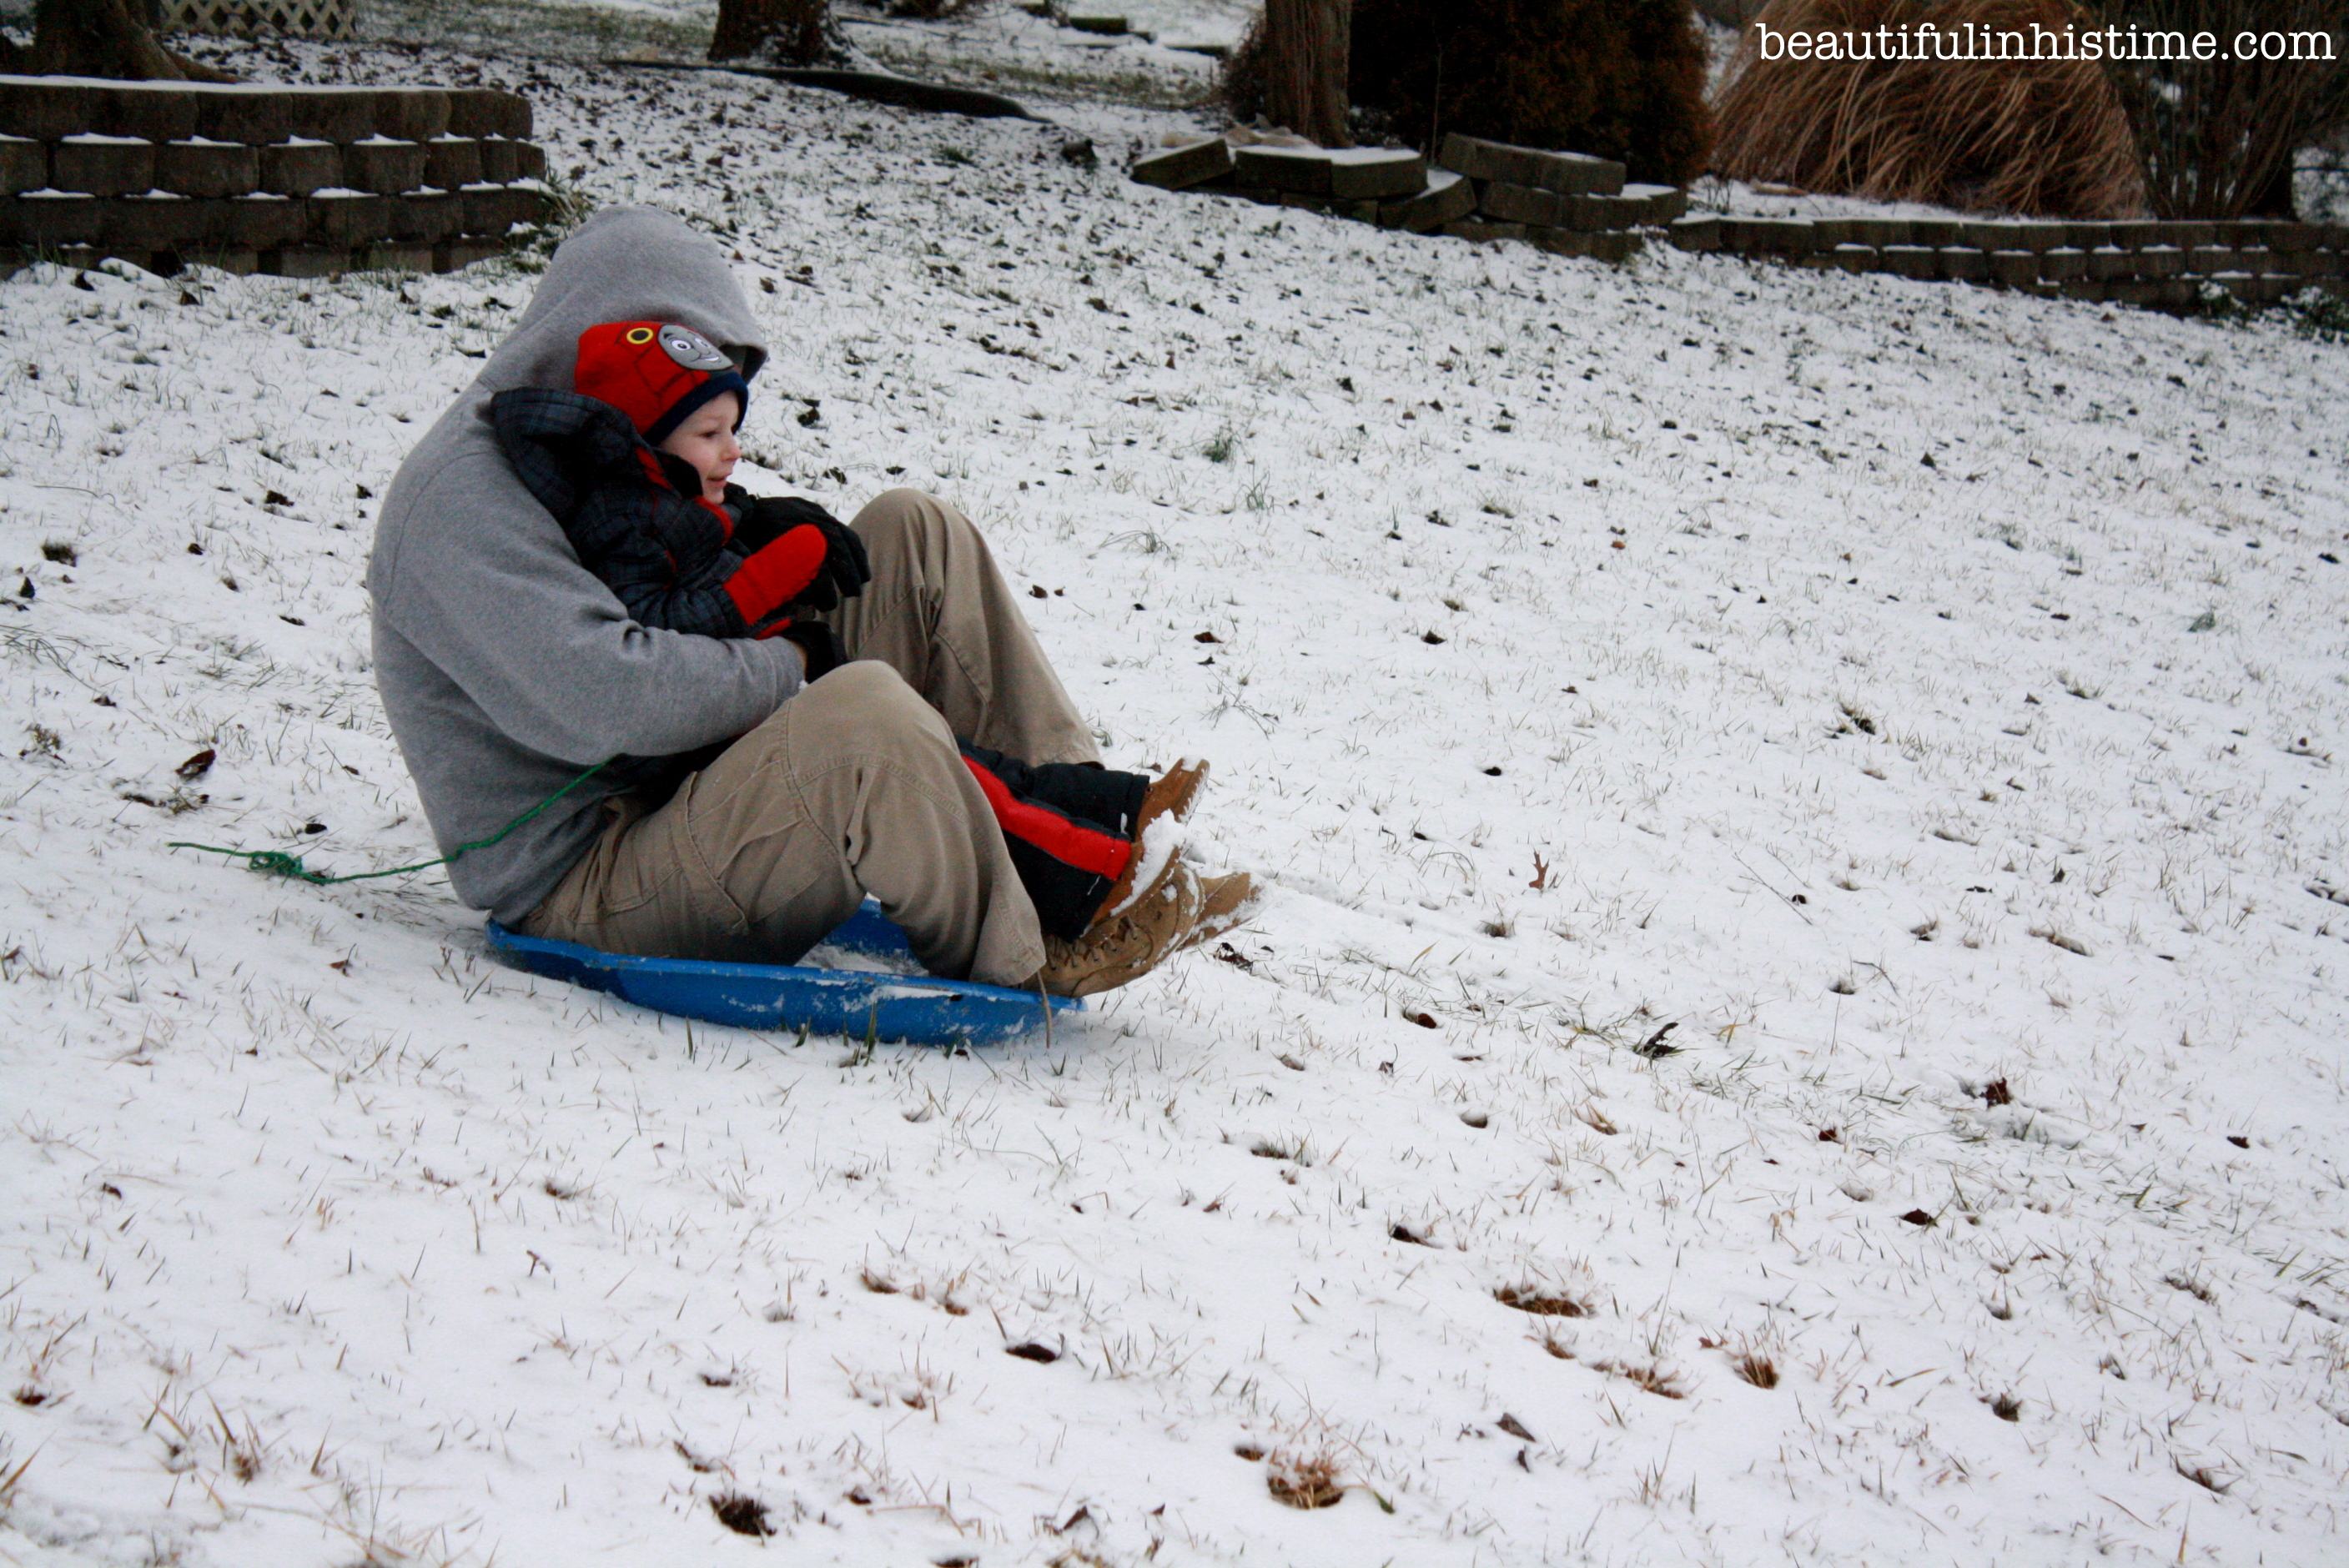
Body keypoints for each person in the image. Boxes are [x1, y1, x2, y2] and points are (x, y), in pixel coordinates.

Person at [367, 206, 1252, 997]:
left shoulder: (594, 443)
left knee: (917, 533)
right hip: (592, 873)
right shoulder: (462, 498)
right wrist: (790, 664)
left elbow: (667, 582)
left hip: (681, 780)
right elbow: (606, 698)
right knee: (857, 714)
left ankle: (1101, 845)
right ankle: (1038, 944)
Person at [483, 312, 1220, 950]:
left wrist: (751, 517)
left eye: (733, 429)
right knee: (868, 706)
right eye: (711, 433)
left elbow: (677, 527)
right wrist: (778, 618)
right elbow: (646, 654)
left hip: (720, 738)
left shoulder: (647, 490)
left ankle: (1102, 830)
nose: (733, 449)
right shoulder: (505, 511)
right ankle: (1052, 922)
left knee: (916, 522)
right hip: (632, 841)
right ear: (642, 440)